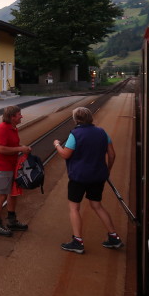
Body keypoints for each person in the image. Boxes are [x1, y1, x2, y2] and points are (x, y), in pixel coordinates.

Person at [53, 107, 123, 254]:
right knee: (97, 205)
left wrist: (57, 145)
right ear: (90, 118)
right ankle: (114, 237)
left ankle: (77, 241)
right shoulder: (102, 132)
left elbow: (66, 155)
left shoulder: (75, 134)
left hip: (79, 177)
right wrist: (107, 170)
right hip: (98, 176)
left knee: (74, 208)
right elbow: (112, 155)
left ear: (76, 119)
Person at [0, 105, 32, 236]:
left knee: (12, 194)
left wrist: (22, 147)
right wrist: (20, 149)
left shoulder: (13, 128)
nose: (21, 116)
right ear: (12, 117)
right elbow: (1, 149)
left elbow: (12, 145)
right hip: (2, 167)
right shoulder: (2, 128)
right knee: (1, 195)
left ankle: (12, 220)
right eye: (19, 114)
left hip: (13, 166)